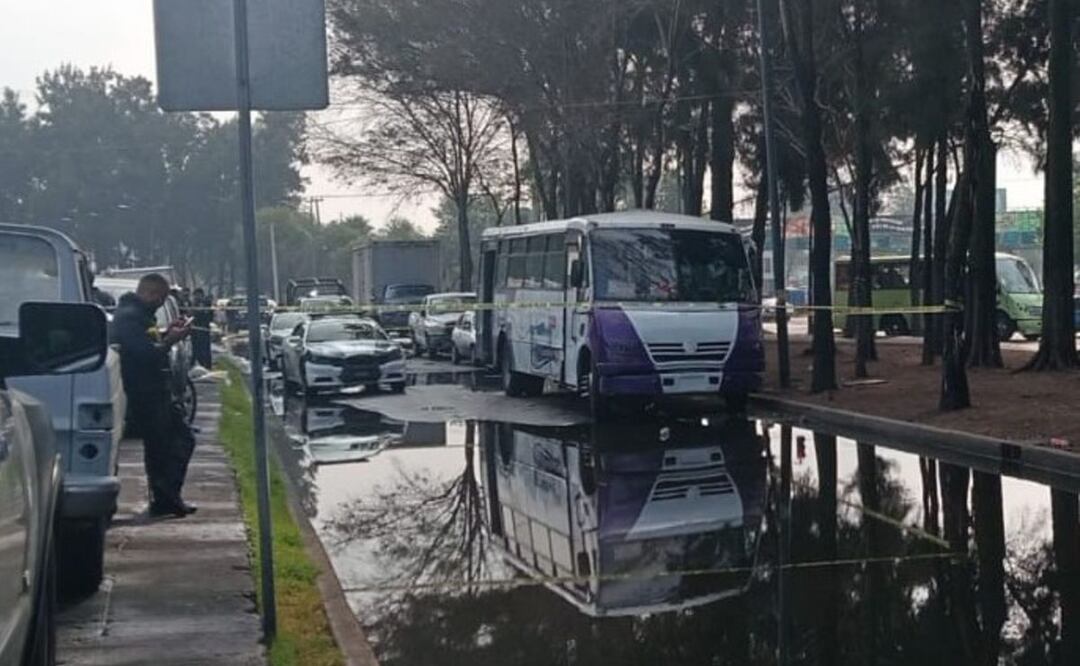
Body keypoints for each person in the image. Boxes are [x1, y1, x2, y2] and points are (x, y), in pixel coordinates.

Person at [112, 273, 197, 518]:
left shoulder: (137, 315)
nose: (160, 305)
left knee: (164, 445)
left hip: (153, 390)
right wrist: (171, 340)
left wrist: (166, 332)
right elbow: (144, 353)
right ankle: (166, 497)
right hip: (144, 391)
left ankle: (166, 498)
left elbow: (147, 341)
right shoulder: (130, 317)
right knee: (173, 442)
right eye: (160, 299)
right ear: (150, 293)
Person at [191, 287, 214, 369]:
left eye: (197, 295)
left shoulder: (205, 303)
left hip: (203, 328)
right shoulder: (194, 303)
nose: (196, 297)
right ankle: (199, 364)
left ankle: (206, 365)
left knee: (204, 348)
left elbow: (208, 315)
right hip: (195, 329)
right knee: (197, 348)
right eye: (195, 295)